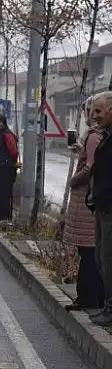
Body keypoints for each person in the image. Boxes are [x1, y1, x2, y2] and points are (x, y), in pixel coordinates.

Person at [62, 95, 104, 311]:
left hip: (85, 202)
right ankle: (93, 297)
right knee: (89, 252)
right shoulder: (95, 136)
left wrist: (74, 179)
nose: (90, 115)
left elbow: (91, 166)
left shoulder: (94, 136)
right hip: (88, 201)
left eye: (94, 111)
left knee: (88, 252)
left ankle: (89, 297)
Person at [88, 91, 112, 326]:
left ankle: (110, 309)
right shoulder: (106, 137)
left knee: (108, 259)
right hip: (103, 208)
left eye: (98, 110)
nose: (94, 116)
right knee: (101, 259)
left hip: (109, 208)